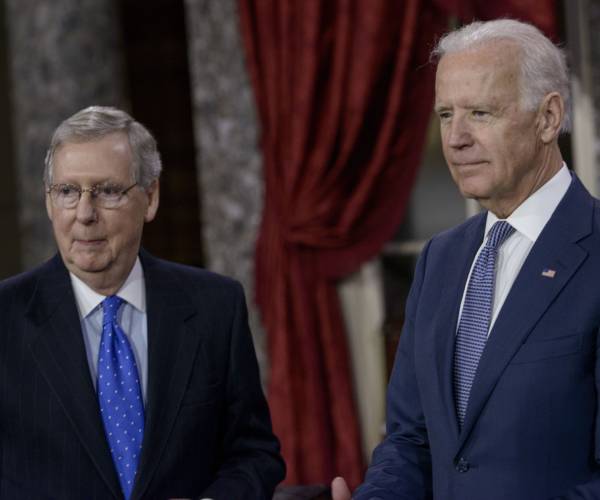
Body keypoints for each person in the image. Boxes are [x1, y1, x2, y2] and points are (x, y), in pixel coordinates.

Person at [333, 19, 600, 499]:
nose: (454, 139)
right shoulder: (441, 257)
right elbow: (411, 439)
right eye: (444, 115)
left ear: (547, 118)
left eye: (479, 113)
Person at [0, 106, 285, 499]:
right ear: (49, 202)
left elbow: (254, 453)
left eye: (108, 191)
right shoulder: (5, 318)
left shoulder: (216, 306)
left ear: (150, 198)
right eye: (67, 191)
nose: (84, 214)